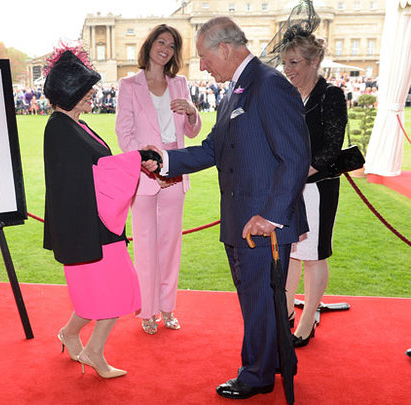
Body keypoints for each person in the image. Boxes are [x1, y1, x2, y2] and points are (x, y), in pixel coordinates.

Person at [143, 16, 310, 400]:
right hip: (241, 219)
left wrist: (270, 216)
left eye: (203, 56)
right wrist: (164, 161)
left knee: (259, 300)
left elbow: (296, 156)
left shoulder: (268, 85)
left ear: (224, 48)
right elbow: (213, 149)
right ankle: (278, 361)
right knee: (261, 300)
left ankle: (257, 374)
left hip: (261, 224)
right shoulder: (237, 89)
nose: (201, 65)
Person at [42, 47, 161, 379]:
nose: (92, 93)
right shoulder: (60, 129)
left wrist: (135, 160)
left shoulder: (72, 124)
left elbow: (99, 170)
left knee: (100, 291)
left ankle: (69, 334)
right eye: (85, 89)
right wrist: (136, 157)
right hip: (89, 226)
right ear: (69, 94)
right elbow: (93, 173)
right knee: (118, 289)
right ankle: (93, 351)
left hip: (95, 223)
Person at [115, 24, 201, 335]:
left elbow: (192, 132)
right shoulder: (129, 85)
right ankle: (147, 311)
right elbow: (125, 135)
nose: (165, 48)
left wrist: (192, 112)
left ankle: (167, 308)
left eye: (172, 45)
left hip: (175, 172)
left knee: (170, 245)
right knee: (146, 248)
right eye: (161, 42)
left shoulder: (180, 84)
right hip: (144, 174)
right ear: (150, 45)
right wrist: (147, 163)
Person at [279, 28, 347, 347]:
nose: (288, 69)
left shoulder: (330, 95)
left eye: (294, 62)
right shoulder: (288, 95)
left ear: (314, 60)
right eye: (284, 63)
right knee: (291, 251)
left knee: (314, 255)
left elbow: (331, 147)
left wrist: (298, 172)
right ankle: (285, 314)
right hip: (290, 186)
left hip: (317, 187)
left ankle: (306, 323)